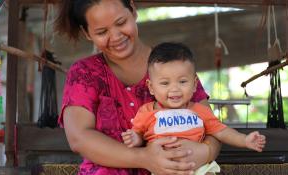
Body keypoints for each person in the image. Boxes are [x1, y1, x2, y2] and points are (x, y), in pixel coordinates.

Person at [54, 0, 223, 174]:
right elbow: (79, 138)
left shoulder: (174, 65)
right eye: (102, 32)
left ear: (133, 10)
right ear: (87, 33)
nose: (116, 36)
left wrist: (205, 151)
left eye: (121, 23)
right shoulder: (84, 73)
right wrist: (144, 158)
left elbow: (213, 129)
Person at [121, 42, 266, 175]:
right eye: (165, 83)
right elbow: (139, 133)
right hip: (164, 169)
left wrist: (245, 140)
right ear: (151, 87)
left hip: (199, 168)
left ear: (195, 84)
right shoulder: (147, 111)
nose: (175, 89)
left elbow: (222, 131)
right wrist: (135, 138)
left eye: (183, 81)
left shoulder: (199, 111)